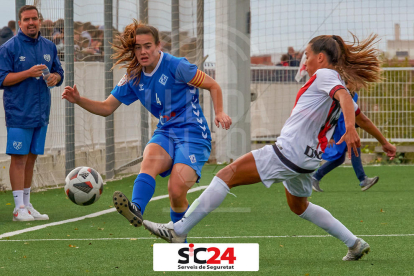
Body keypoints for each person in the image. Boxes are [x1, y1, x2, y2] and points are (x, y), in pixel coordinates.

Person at [142, 34, 397, 261]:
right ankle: (354, 243)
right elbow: (358, 114)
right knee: (299, 206)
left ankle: (178, 231)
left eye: (306, 55)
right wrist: (383, 142)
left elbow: (344, 98)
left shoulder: (325, 76)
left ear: (320, 57)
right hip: (308, 159)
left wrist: (350, 129)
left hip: (289, 152)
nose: (304, 60)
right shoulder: (333, 80)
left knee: (225, 175)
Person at [62, 20, 231, 229]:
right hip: (166, 131)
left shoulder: (177, 66)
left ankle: (180, 239)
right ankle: (136, 209)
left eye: (147, 46)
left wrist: (220, 111)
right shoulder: (133, 76)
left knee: (176, 190)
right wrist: (79, 100)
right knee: (150, 156)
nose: (143, 51)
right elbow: (107, 108)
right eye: (137, 47)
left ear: (159, 46)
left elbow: (213, 85)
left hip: (193, 134)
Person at [0, 5, 64, 221]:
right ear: (19, 23)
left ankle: (27, 204)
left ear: (39, 20)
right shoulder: (9, 48)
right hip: (19, 112)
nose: (31, 23)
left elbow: (58, 72)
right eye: (26, 19)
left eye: (34, 19)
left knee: (31, 159)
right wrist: (27, 73)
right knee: (18, 159)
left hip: (41, 113)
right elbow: (2, 79)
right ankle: (18, 208)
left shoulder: (49, 46)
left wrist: (56, 77)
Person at [311, 91, 379, 192]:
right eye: (359, 81)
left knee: (340, 158)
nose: (360, 85)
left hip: (345, 128)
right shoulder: (340, 93)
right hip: (338, 130)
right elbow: (332, 114)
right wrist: (331, 135)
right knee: (353, 148)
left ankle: (315, 177)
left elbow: (350, 114)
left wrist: (359, 124)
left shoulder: (354, 95)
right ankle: (363, 179)